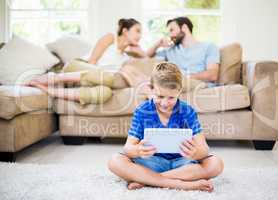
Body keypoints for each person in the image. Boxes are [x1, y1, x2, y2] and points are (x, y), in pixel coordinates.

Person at [108, 62, 224, 191]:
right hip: (151, 162)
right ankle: (182, 184)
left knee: (216, 163)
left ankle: (148, 180)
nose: (164, 103)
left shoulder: (187, 111)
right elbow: (128, 149)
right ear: (151, 89)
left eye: (171, 98)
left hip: (182, 164)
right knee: (115, 160)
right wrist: (138, 150)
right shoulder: (142, 111)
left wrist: (196, 153)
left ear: (179, 91)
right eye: (160, 96)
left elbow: (204, 149)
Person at [27, 18, 145, 105]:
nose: (140, 35)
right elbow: (92, 61)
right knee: (108, 77)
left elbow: (139, 70)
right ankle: (53, 77)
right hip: (77, 68)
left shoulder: (126, 57)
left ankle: (50, 91)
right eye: (137, 31)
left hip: (95, 80)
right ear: (125, 31)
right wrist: (100, 78)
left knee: (106, 93)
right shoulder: (110, 38)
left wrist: (141, 53)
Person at [146, 16, 220, 87]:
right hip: (176, 84)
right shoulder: (170, 50)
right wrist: (158, 44)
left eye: (172, 30)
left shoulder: (208, 46)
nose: (170, 35)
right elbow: (146, 56)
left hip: (197, 83)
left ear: (184, 28)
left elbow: (212, 75)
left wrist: (185, 77)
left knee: (163, 84)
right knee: (154, 82)